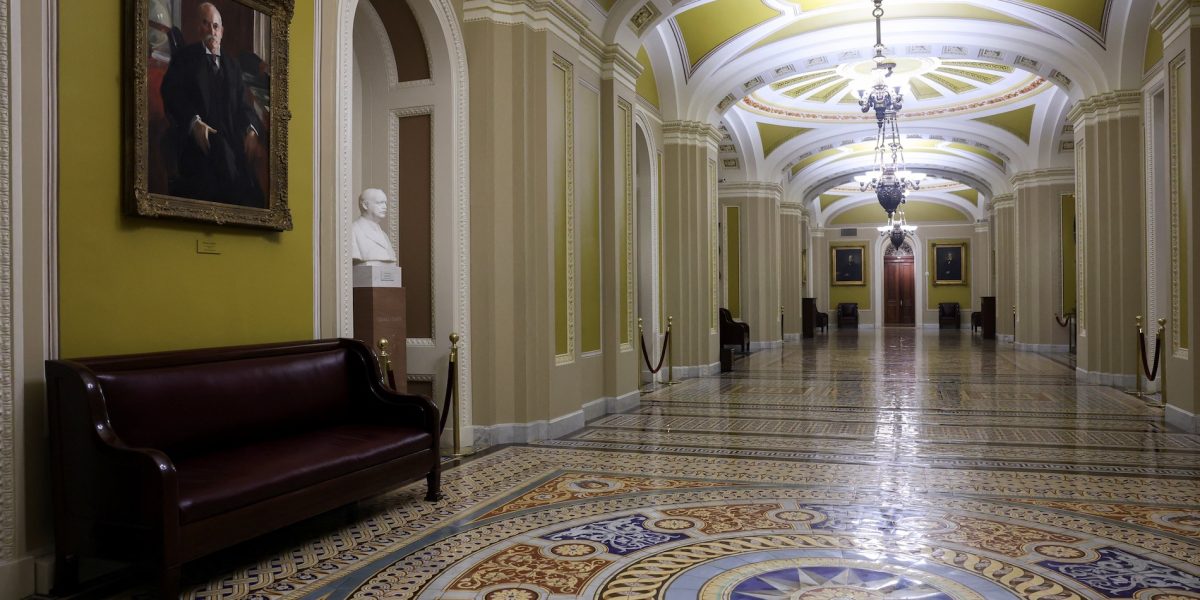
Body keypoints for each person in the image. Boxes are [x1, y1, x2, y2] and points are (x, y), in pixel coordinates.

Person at [160, 2, 264, 207]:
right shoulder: (185, 59)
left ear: (222, 31)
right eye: (206, 25)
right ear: (199, 29)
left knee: (252, 193)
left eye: (215, 26)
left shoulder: (232, 65)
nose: (211, 31)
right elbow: (172, 94)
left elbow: (244, 106)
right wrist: (194, 122)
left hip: (232, 143)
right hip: (199, 143)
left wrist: (252, 130)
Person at [352, 189, 398, 265]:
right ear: (365, 205)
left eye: (385, 203)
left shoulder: (384, 235)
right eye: (379, 203)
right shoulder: (353, 231)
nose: (385, 207)